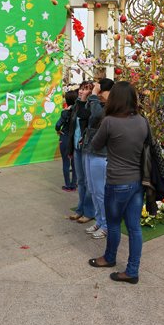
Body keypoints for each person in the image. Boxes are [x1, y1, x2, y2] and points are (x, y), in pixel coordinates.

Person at [87, 81, 148, 284]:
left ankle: (109, 258)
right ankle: (132, 271)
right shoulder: (142, 121)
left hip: (117, 181)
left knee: (113, 224)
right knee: (134, 228)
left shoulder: (110, 122)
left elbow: (95, 145)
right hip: (138, 182)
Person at [82, 78, 114, 239]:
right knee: (92, 189)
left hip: (101, 153)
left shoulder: (111, 106)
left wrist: (93, 95)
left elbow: (95, 116)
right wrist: (85, 97)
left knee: (100, 191)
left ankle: (107, 225)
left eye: (96, 87)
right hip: (89, 149)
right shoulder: (97, 103)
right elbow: (84, 114)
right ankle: (99, 220)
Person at [67, 82, 95, 224]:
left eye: (85, 89)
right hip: (77, 148)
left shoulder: (92, 106)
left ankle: (89, 211)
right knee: (81, 181)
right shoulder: (77, 104)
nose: (81, 92)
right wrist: (70, 149)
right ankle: (80, 209)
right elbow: (72, 128)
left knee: (89, 182)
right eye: (81, 89)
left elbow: (86, 117)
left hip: (87, 148)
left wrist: (84, 101)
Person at [55, 90, 78, 191]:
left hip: (65, 138)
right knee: (74, 162)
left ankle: (68, 185)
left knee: (65, 162)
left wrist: (58, 131)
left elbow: (57, 125)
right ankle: (74, 183)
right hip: (75, 139)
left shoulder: (65, 113)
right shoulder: (78, 112)